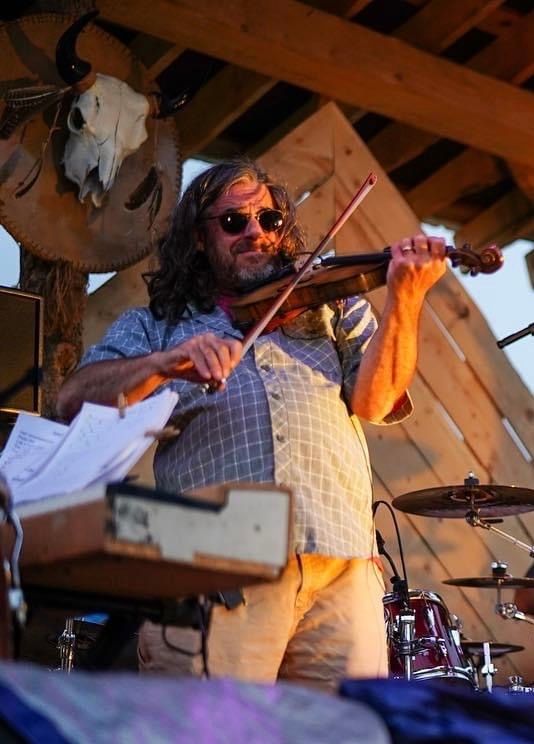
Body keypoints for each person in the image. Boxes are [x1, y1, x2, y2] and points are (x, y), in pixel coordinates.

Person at [57, 158, 447, 692]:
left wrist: (406, 296)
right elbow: (74, 400)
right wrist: (164, 364)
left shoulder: (333, 307)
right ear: (199, 239)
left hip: (341, 567)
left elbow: (378, 402)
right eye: (234, 222)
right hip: (214, 569)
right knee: (213, 727)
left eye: (269, 219)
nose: (256, 232)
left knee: (343, 728)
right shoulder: (156, 327)